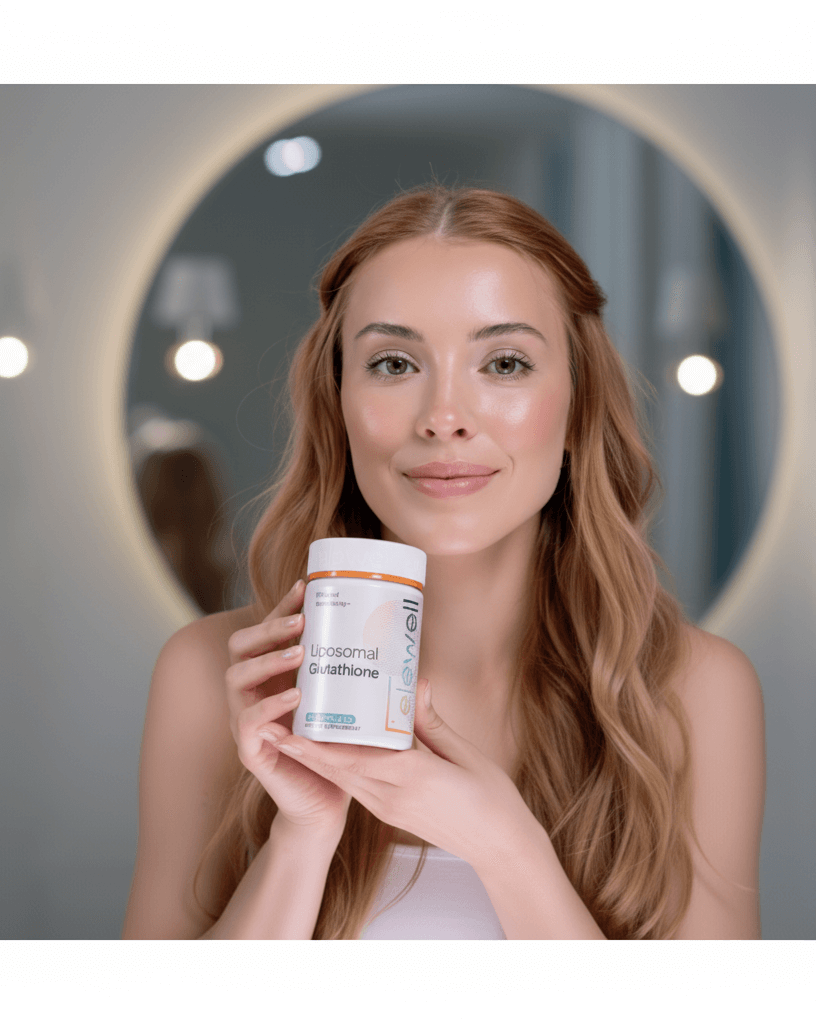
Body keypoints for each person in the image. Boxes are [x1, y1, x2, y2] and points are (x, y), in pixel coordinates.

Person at [121, 185, 765, 939]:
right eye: (394, 363)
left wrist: (505, 845)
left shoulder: (692, 693)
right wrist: (300, 836)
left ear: (576, 405)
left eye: (505, 363)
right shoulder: (213, 680)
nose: (444, 417)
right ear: (338, 402)